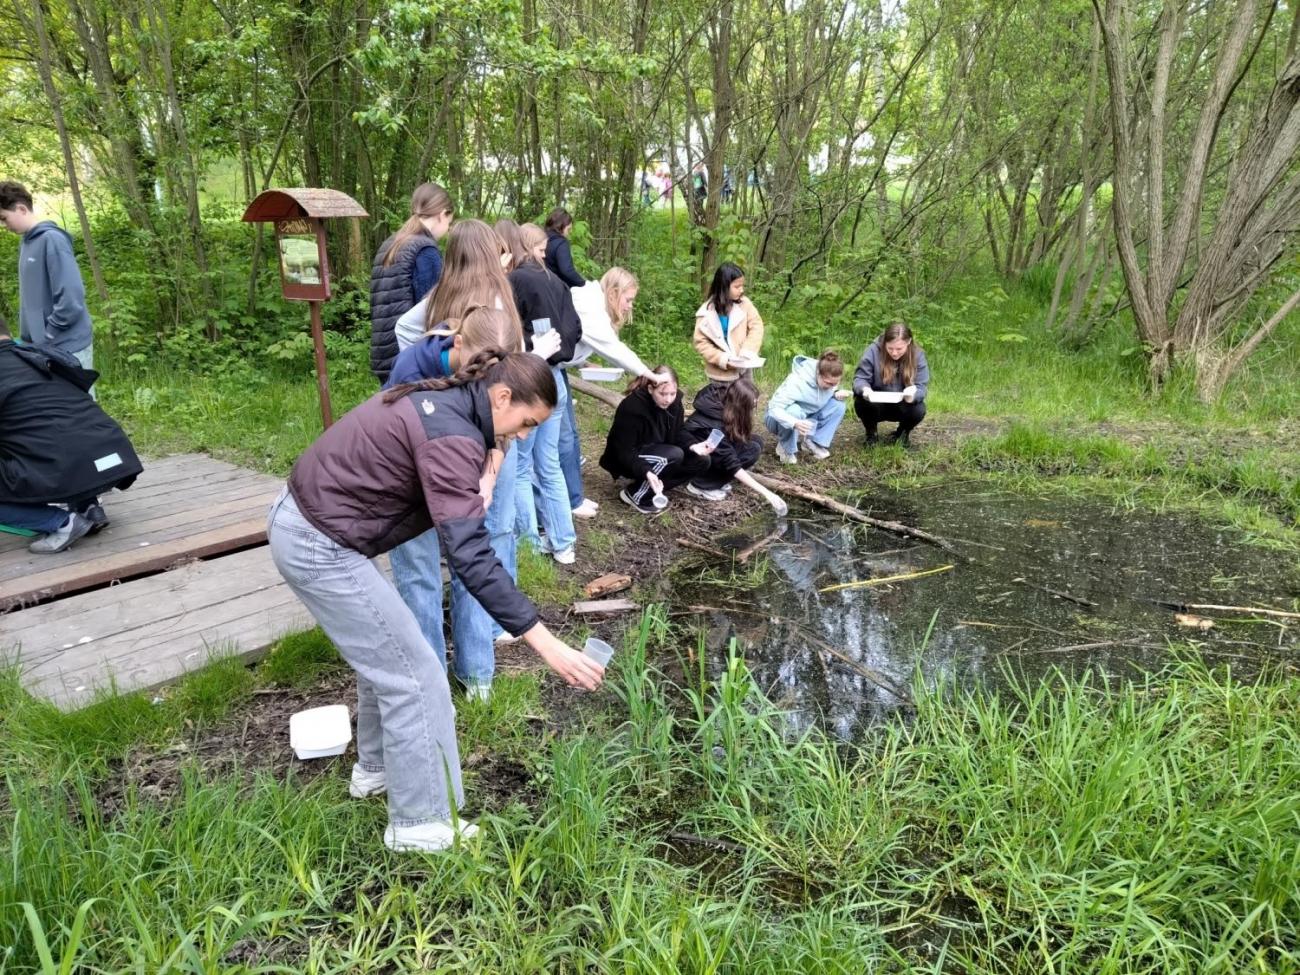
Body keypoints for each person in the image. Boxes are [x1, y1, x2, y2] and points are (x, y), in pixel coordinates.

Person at [268, 350, 604, 853]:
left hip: (313, 525)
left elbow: (465, 474)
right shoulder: (451, 435)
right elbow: (469, 555)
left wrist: (491, 464)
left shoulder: (452, 403)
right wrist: (545, 642)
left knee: (387, 656)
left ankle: (378, 770)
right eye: (526, 423)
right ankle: (421, 823)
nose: (526, 435)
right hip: (319, 543)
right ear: (502, 395)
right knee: (417, 673)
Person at [387, 221, 534, 699]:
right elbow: (511, 403)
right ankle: (478, 674)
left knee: (421, 562)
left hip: (427, 437)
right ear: (495, 255)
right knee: (484, 547)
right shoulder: (505, 309)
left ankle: (431, 681)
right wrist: (492, 470)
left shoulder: (434, 302)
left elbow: (401, 331)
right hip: (478, 441)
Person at [0, 316, 140, 553]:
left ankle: (61, 523)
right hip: (113, 454)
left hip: (69, 464)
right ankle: (88, 508)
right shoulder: (38, 356)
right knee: (55, 436)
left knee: (47, 444)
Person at [566, 267, 672, 517]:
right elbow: (614, 349)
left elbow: (576, 338)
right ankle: (567, 500)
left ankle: (572, 496)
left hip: (555, 369)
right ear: (613, 293)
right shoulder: (590, 306)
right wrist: (651, 374)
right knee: (560, 441)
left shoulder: (594, 307)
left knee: (570, 438)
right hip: (541, 370)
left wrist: (581, 362)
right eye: (628, 299)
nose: (629, 306)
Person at [509, 223, 582, 564]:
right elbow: (574, 328)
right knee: (549, 463)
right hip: (557, 378)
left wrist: (532, 347)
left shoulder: (516, 280)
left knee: (523, 466)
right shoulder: (558, 281)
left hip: (529, 378)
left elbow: (506, 333)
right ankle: (564, 542)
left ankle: (531, 544)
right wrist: (560, 351)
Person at [0, 181, 95, 376]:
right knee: (55, 404)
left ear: (21, 209)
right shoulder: (26, 243)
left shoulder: (52, 239)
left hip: (68, 346)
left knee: (79, 404)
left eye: (4, 218)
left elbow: (71, 297)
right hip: (44, 347)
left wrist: (48, 334)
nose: (3, 225)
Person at [369, 182, 454, 384]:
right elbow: (432, 314)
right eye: (449, 222)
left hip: (384, 352)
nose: (448, 229)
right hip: (408, 356)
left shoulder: (390, 243)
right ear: (442, 215)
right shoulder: (425, 250)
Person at [600, 366, 713, 514]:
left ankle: (654, 488)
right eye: (663, 394)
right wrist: (646, 471)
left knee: (702, 460)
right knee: (674, 454)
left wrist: (692, 446)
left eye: (672, 393)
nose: (668, 399)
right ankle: (635, 494)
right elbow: (623, 451)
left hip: (661, 453)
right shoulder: (632, 407)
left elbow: (678, 433)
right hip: (628, 459)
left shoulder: (675, 403)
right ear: (650, 389)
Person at [683, 377, 787, 515]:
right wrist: (767, 493)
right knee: (750, 451)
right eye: (750, 406)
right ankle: (702, 485)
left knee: (756, 443)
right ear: (740, 406)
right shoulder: (714, 426)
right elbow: (729, 461)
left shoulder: (724, 400)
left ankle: (716, 478)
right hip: (695, 460)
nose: (753, 409)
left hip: (713, 451)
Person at [764, 350, 850, 464]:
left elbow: (830, 389)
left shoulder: (829, 379)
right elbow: (774, 409)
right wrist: (794, 422)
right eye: (829, 383)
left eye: (835, 383)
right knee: (794, 411)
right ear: (818, 374)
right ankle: (786, 448)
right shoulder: (796, 382)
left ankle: (812, 441)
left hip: (807, 416)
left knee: (838, 405)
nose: (831, 387)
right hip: (778, 419)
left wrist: (837, 392)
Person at [853, 322, 929, 447]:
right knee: (861, 402)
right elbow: (860, 378)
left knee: (918, 409)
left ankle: (902, 434)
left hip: (903, 403)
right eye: (890, 348)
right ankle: (871, 434)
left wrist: (912, 396)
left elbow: (921, 387)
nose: (894, 353)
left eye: (899, 349)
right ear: (884, 343)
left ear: (908, 342)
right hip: (876, 403)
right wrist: (864, 389)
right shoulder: (872, 351)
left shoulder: (918, 355)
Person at [693, 262, 765, 384]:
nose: (741, 290)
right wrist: (722, 359)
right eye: (737, 287)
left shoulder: (745, 304)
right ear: (723, 287)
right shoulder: (705, 313)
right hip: (719, 374)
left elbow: (756, 326)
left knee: (746, 400)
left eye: (742, 286)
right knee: (721, 403)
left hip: (743, 369)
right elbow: (701, 343)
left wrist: (748, 351)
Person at [543, 207, 585, 288]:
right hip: (557, 289)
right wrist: (583, 283)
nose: (570, 232)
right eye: (568, 229)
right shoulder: (561, 243)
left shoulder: (540, 238)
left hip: (542, 286)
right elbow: (567, 270)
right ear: (561, 226)